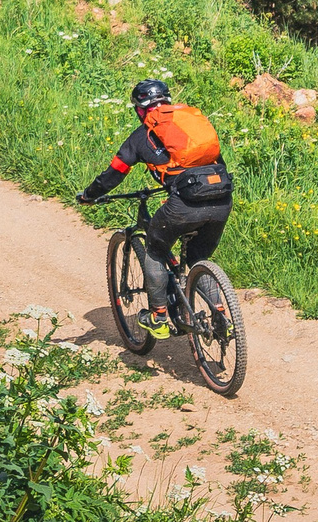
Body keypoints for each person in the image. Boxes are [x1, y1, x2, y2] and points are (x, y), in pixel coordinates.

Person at [79, 78, 234, 338]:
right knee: (199, 257)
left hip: (185, 204)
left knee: (155, 249)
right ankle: (221, 317)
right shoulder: (191, 127)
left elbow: (115, 173)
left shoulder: (142, 136)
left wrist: (89, 195)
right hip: (221, 199)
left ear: (140, 109)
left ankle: (159, 316)